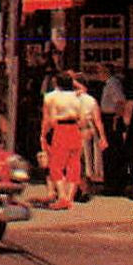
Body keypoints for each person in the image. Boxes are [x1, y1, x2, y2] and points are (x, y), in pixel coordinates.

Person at [39, 71, 85, 210]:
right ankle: (69, 199)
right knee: (74, 164)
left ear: (56, 83)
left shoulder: (52, 97)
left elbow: (50, 119)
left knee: (56, 165)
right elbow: (82, 118)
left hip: (61, 129)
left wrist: (44, 133)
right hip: (75, 129)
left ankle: (62, 196)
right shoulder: (78, 97)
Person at [72, 71, 108, 203]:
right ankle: (83, 189)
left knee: (77, 162)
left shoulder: (72, 99)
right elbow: (98, 121)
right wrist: (102, 137)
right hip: (87, 131)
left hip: (76, 130)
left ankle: (80, 189)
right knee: (85, 162)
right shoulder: (91, 100)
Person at [100, 67, 133, 197]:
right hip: (108, 118)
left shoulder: (113, 83)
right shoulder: (109, 84)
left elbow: (120, 101)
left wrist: (116, 118)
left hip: (112, 119)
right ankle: (111, 184)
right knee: (109, 153)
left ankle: (115, 185)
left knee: (113, 153)